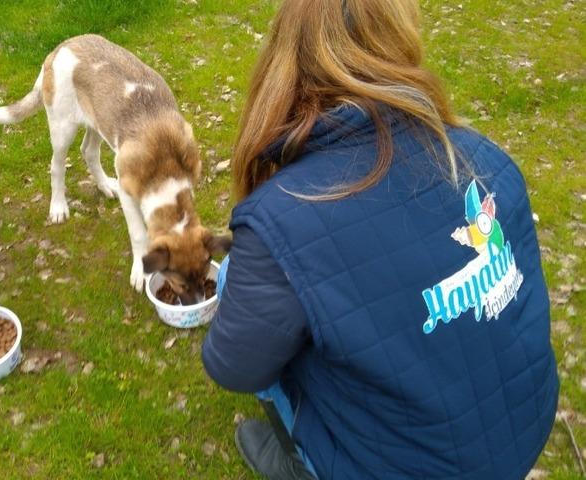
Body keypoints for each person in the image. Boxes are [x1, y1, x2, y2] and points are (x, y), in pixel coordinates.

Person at [201, 1, 559, 479]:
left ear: (286, 61)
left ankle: (297, 460)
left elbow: (232, 368)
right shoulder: (484, 158)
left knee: (230, 279)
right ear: (400, 37)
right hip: (524, 431)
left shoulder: (281, 218)